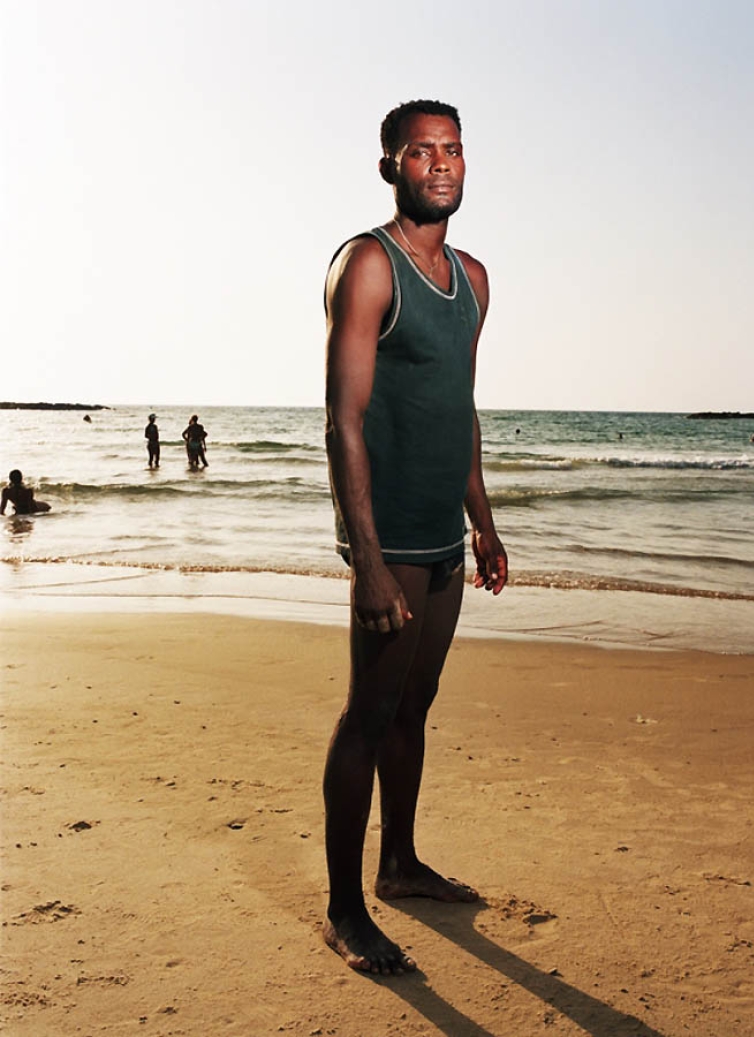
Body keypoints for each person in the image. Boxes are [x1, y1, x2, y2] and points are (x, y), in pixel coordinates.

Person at [323, 99, 508, 976]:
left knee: (414, 704)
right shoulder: (367, 265)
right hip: (388, 536)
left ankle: (398, 862)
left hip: (440, 536)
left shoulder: (472, 279)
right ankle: (343, 909)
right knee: (367, 713)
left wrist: (482, 521)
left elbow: (459, 409)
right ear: (390, 165)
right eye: (421, 150)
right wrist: (366, 561)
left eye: (453, 149)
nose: (440, 163)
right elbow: (343, 418)